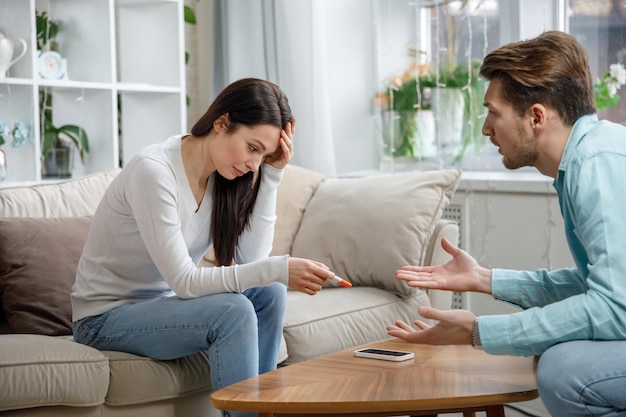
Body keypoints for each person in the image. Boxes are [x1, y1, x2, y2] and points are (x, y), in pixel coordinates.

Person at [386, 31, 626, 417]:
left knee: (564, 370)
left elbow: (614, 307)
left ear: (535, 116)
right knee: (557, 351)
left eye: (493, 112)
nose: (485, 128)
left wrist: (477, 331)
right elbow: (598, 286)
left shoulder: (594, 165)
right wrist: (486, 279)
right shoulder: (584, 160)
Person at [71, 78, 338, 417]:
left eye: (265, 155)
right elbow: (184, 281)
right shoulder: (154, 172)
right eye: (253, 148)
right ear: (222, 122)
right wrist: (281, 267)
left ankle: (264, 411)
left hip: (165, 304)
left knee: (270, 291)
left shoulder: (225, 177)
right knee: (234, 311)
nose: (254, 164)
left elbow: (252, 261)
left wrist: (272, 175)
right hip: (103, 319)